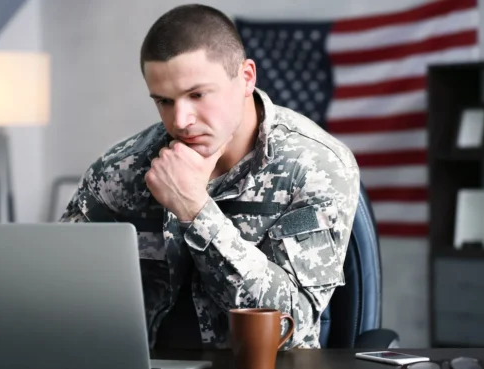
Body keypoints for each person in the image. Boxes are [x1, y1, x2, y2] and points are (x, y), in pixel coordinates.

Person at [59, 3, 360, 350]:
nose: (181, 120)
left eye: (197, 95)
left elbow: (285, 328)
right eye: (164, 101)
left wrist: (194, 210)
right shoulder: (120, 170)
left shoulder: (317, 166)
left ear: (246, 77)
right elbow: (59, 290)